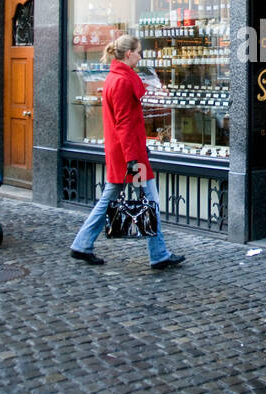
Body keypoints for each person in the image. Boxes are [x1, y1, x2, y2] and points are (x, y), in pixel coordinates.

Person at [69, 34, 185, 270]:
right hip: (129, 155)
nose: (140, 55)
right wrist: (134, 157)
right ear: (128, 53)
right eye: (138, 51)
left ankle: (82, 244)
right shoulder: (122, 82)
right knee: (151, 201)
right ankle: (159, 254)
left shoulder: (116, 78)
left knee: (110, 197)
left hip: (124, 152)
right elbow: (124, 123)